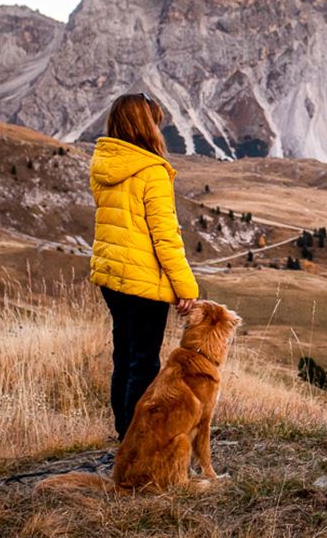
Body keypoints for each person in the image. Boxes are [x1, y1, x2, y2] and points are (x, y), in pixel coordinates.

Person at [89, 92, 199, 441]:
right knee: (145, 363)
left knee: (124, 356)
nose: (159, 127)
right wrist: (186, 289)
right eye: (155, 120)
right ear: (144, 125)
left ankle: (124, 433)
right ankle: (137, 442)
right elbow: (164, 237)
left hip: (113, 277)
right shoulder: (151, 171)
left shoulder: (104, 164)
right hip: (141, 280)